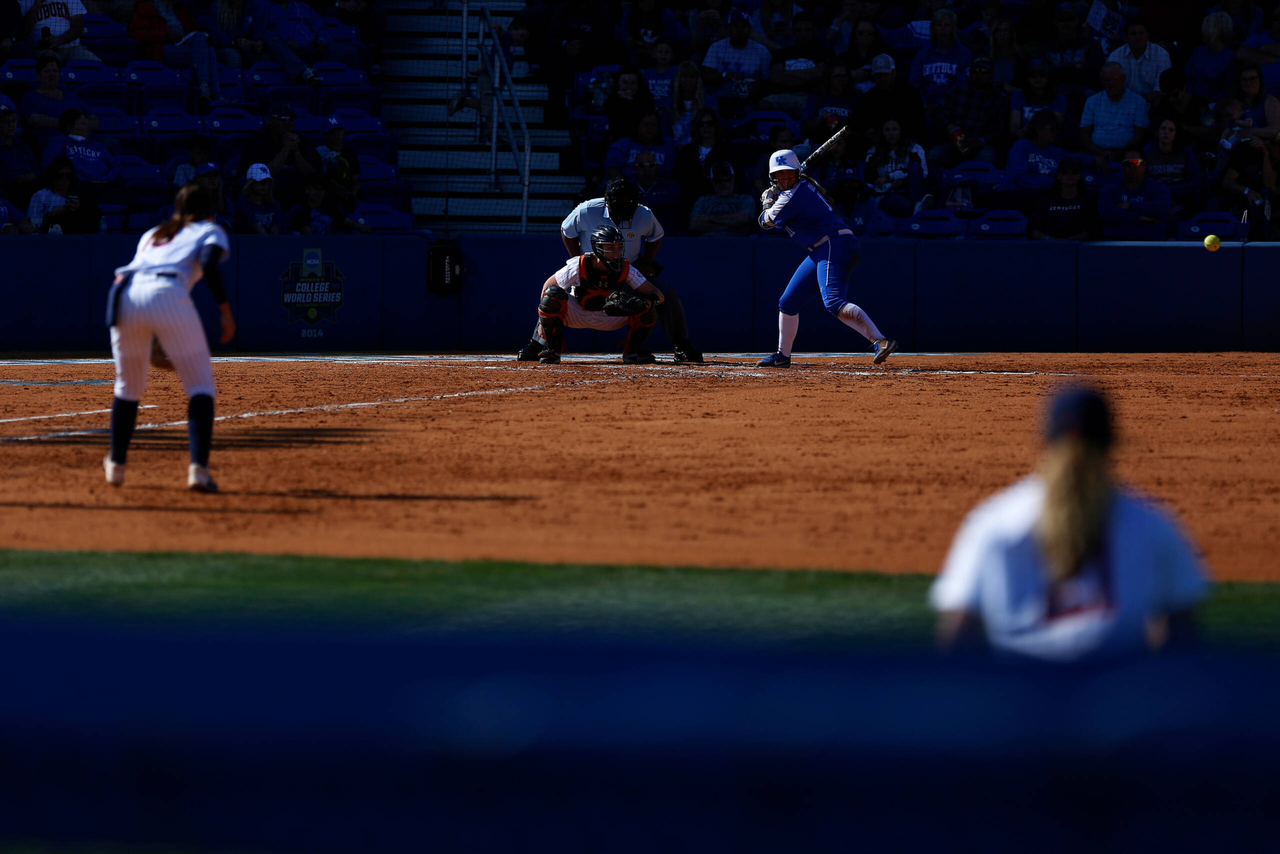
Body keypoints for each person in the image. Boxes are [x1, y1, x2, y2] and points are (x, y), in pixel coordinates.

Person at [931, 387, 1210, 661]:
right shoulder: (1151, 525)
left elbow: (957, 641)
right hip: (1116, 699)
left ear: (1044, 440)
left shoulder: (994, 524)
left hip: (1016, 698)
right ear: (1111, 442)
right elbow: (1180, 644)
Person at [103, 184, 236, 493]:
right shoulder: (209, 229)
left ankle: (117, 465)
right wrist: (225, 310)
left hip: (124, 295)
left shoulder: (154, 233)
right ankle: (198, 471)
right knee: (200, 387)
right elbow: (209, 262)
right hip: (167, 293)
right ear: (211, 211)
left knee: (127, 386)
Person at [756, 149, 896, 368]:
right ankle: (782, 355)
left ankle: (880, 340)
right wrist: (775, 196)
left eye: (788, 174)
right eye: (779, 175)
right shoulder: (794, 191)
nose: (784, 179)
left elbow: (765, 222)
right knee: (788, 302)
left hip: (832, 244)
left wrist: (766, 201)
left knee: (833, 302)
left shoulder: (792, 196)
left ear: (797, 173)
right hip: (823, 249)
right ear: (773, 177)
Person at [552, 179, 704, 364]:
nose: (623, 203)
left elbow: (656, 235)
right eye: (618, 199)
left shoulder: (644, 214)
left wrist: (647, 263)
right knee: (552, 295)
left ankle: (678, 346)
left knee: (664, 295)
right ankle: (538, 344)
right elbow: (567, 231)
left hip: (626, 270)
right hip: (589, 271)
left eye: (628, 199)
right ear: (607, 199)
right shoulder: (586, 210)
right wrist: (577, 262)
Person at [518, 224, 666, 365]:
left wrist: (647, 303)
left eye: (619, 247)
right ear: (597, 248)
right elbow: (548, 285)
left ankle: (633, 353)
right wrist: (541, 323)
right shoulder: (579, 264)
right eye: (610, 248)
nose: (616, 253)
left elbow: (657, 294)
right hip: (577, 313)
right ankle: (552, 351)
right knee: (551, 295)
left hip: (609, 316)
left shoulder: (627, 268)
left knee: (648, 306)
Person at [128, 0, 223, 105]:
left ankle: (208, 90)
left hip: (183, 43)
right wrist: (166, 36)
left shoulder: (180, 8)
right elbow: (136, 34)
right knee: (208, 53)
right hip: (161, 48)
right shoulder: (145, 7)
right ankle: (213, 95)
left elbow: (193, 28)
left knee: (207, 46)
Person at [928, 55, 1006, 172]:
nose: (979, 76)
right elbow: (941, 113)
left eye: (984, 72)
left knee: (986, 158)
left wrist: (980, 141)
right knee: (933, 155)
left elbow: (1001, 130)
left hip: (983, 146)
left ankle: (978, 188)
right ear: (970, 72)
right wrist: (948, 125)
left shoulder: (1000, 98)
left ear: (992, 73)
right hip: (954, 144)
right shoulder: (957, 91)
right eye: (976, 71)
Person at [761, 12, 833, 119]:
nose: (803, 34)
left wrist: (786, 74)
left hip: (811, 96)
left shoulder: (825, 53)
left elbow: (820, 75)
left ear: (814, 30)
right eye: (799, 31)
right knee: (763, 105)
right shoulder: (782, 53)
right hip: (783, 95)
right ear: (793, 32)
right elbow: (776, 78)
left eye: (807, 30)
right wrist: (810, 75)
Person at [1079, 62, 1150, 170]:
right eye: (1107, 80)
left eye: (1114, 79)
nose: (1111, 83)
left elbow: (1140, 135)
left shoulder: (1138, 101)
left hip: (1127, 155)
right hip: (1096, 153)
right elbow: (1084, 133)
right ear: (1101, 81)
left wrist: (1122, 153)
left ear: (1123, 79)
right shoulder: (1092, 101)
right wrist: (1099, 153)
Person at [700, 8, 773, 112]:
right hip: (720, 99)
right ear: (729, 28)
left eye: (743, 26)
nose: (740, 30)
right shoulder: (716, 48)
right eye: (735, 26)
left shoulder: (762, 51)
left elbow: (767, 82)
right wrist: (726, 75)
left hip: (750, 102)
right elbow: (705, 76)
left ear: (750, 29)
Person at [1097, 149, 1173, 238]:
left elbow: (1163, 208)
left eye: (1136, 162)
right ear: (1122, 166)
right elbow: (1105, 212)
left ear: (1144, 164)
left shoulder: (1158, 187)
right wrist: (1141, 218)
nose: (1132, 166)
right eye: (1127, 163)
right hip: (1117, 243)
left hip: (1151, 244)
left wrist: (1129, 206)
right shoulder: (1110, 189)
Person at [857, 53, 927, 145]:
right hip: (878, 148)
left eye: (885, 74)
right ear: (873, 76)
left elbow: (919, 127)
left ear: (894, 73)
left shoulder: (910, 94)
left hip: (908, 146)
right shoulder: (867, 99)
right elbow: (864, 129)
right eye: (878, 75)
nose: (882, 78)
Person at [864, 118, 928, 217]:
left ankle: (918, 205)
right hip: (886, 195)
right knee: (901, 204)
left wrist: (889, 178)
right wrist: (891, 186)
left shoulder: (915, 149)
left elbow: (922, 173)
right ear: (882, 132)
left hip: (910, 191)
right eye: (887, 130)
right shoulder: (873, 152)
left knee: (915, 167)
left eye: (894, 129)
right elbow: (870, 182)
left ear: (901, 131)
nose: (891, 133)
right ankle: (918, 210)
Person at [908, 8, 971, 109]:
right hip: (925, 108)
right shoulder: (923, 53)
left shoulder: (964, 54)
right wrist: (923, 104)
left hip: (954, 107)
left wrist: (942, 104)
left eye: (946, 25)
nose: (942, 29)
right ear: (933, 29)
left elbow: (962, 85)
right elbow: (915, 83)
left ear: (954, 29)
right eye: (939, 25)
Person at [20, 55, 93, 137]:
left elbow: (93, 118)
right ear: (38, 75)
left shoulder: (70, 95)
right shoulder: (30, 97)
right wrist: (68, 124)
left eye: (55, 71)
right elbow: (32, 119)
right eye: (47, 71)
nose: (51, 74)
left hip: (82, 142)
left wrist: (83, 125)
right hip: (52, 142)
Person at [40, 108, 117, 185]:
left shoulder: (99, 146)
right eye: (83, 123)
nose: (87, 125)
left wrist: (106, 179)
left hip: (103, 187)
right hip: (74, 188)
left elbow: (115, 166)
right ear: (70, 127)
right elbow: (49, 166)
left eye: (87, 122)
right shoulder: (59, 142)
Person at [1143, 118, 1204, 215]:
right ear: (1157, 132)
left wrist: (1171, 190)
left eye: (1171, 130)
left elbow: (1196, 179)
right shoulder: (1147, 151)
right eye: (1163, 129)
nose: (1166, 132)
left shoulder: (1185, 151)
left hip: (1180, 200)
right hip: (1154, 199)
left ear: (1176, 134)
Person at [1028, 157, 1099, 240]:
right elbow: (1032, 228)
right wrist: (1049, 239)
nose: (1069, 175)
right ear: (1058, 175)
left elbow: (1093, 228)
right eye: (1065, 172)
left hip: (1079, 248)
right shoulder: (1046, 200)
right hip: (1048, 247)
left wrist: (1072, 240)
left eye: (1074, 172)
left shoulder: (1089, 201)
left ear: (1080, 176)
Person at [673, 106, 732, 204]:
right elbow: (678, 176)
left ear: (715, 125)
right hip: (690, 199)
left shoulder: (726, 150)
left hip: (720, 200)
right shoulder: (687, 151)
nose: (706, 128)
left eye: (709, 124)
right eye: (701, 124)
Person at [26, 154, 99, 232]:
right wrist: (51, 214)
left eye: (68, 175)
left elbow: (95, 217)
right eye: (60, 176)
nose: (64, 179)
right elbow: (32, 223)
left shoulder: (79, 196)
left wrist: (80, 208)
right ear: (52, 176)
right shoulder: (40, 196)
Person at [1107, 19, 1171, 105]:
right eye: (1133, 34)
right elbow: (1111, 87)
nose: (1138, 37)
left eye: (1141, 33)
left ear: (1147, 36)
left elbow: (1161, 90)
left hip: (1151, 106)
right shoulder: (1115, 56)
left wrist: (1140, 100)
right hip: (1122, 103)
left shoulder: (1162, 55)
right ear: (1126, 37)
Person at [604, 112, 677, 181]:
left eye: (653, 125)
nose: (650, 128)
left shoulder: (667, 148)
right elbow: (612, 168)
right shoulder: (623, 144)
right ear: (638, 126)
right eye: (646, 124)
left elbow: (669, 176)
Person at [286, 173, 370, 234]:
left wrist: (363, 228)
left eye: (322, 189)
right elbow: (308, 234)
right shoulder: (300, 211)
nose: (319, 192)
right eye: (316, 189)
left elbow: (348, 222)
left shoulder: (333, 208)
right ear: (307, 190)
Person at [19, 0, 100, 63]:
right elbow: (23, 31)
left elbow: (78, 28)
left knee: (95, 64)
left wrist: (59, 40)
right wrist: (36, 5)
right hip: (41, 50)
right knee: (50, 59)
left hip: (72, 48)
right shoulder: (25, 1)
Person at [687, 161, 754, 235]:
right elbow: (693, 225)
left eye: (726, 179)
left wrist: (708, 219)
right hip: (706, 243)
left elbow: (743, 219)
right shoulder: (703, 200)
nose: (723, 184)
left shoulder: (745, 199)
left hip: (736, 243)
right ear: (711, 181)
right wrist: (733, 225)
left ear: (733, 178)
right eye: (717, 180)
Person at [1005, 110, 1067, 190]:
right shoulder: (1021, 146)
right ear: (1038, 130)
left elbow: (1080, 159)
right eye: (1051, 129)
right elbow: (1018, 176)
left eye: (1057, 129)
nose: (1055, 132)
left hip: (1048, 197)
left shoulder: (1057, 151)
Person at [1009, 57, 1067, 140]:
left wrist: (1030, 132)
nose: (1038, 78)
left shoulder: (1060, 99)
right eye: (1033, 75)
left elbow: (1055, 126)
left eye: (1042, 75)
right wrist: (1019, 133)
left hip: (1050, 143)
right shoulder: (1018, 95)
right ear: (1027, 78)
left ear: (1048, 77)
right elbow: (1014, 125)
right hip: (1024, 141)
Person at [663, 60, 717, 147]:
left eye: (692, 77)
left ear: (697, 80)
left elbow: (715, 130)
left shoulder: (709, 102)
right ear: (678, 79)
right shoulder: (669, 103)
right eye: (685, 77)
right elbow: (665, 133)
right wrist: (676, 146)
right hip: (675, 148)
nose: (688, 80)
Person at [1185, 11, 1237, 100]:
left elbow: (1229, 90)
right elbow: (1187, 78)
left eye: (1208, 29)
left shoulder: (1231, 58)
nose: (1204, 33)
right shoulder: (1198, 52)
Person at [801, 61, 857, 141]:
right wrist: (821, 118)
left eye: (844, 76)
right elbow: (806, 127)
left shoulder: (855, 98)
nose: (842, 80)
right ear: (829, 78)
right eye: (837, 76)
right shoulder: (817, 97)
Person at [631, 149, 682, 231]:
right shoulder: (626, 188)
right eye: (641, 165)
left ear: (657, 167)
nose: (646, 168)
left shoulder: (671, 187)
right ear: (634, 169)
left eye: (651, 165)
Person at [839, 16, 892, 93]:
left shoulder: (887, 57)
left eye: (870, 33)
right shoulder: (844, 59)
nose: (865, 35)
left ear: (875, 35)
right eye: (861, 33)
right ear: (855, 35)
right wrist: (851, 74)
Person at [0, 104, 38, 208]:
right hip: (10, 189)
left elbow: (37, 170)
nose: (11, 125)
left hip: (32, 185)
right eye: (5, 122)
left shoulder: (25, 147)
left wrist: (33, 175)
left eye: (13, 121)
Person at [1229, 63, 1280, 139]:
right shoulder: (1233, 103)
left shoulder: (1270, 101)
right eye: (1244, 80)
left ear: (1259, 81)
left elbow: (1275, 130)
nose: (1248, 83)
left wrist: (1250, 132)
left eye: (1252, 79)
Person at [231, 162, 282, 234]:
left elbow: (275, 230)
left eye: (266, 181)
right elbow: (258, 230)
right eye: (259, 181)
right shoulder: (242, 204)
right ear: (251, 183)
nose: (263, 184)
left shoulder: (275, 204)